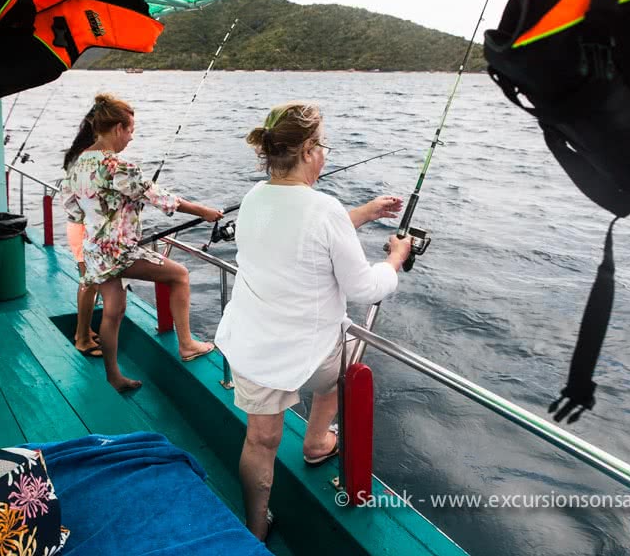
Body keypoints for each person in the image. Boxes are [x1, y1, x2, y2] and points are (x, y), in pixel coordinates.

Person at [214, 101, 412, 540]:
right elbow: (363, 287)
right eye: (320, 144)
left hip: (251, 346)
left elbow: (302, 227)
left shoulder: (254, 197)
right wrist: (395, 261)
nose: (324, 152)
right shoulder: (324, 210)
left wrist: (366, 211)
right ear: (306, 151)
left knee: (260, 441)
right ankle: (317, 440)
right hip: (312, 352)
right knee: (345, 363)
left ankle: (255, 526)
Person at [61, 93, 223, 392]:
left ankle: (114, 376)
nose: (131, 138)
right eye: (131, 130)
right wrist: (204, 211)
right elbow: (161, 199)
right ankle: (187, 344)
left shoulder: (77, 163)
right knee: (180, 275)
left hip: (95, 250)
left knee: (114, 310)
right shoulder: (117, 167)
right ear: (117, 128)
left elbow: (72, 209)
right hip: (120, 252)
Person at [65, 219, 101, 357]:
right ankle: (82, 339)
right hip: (85, 232)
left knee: (87, 283)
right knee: (89, 283)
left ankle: (85, 331)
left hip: (82, 228)